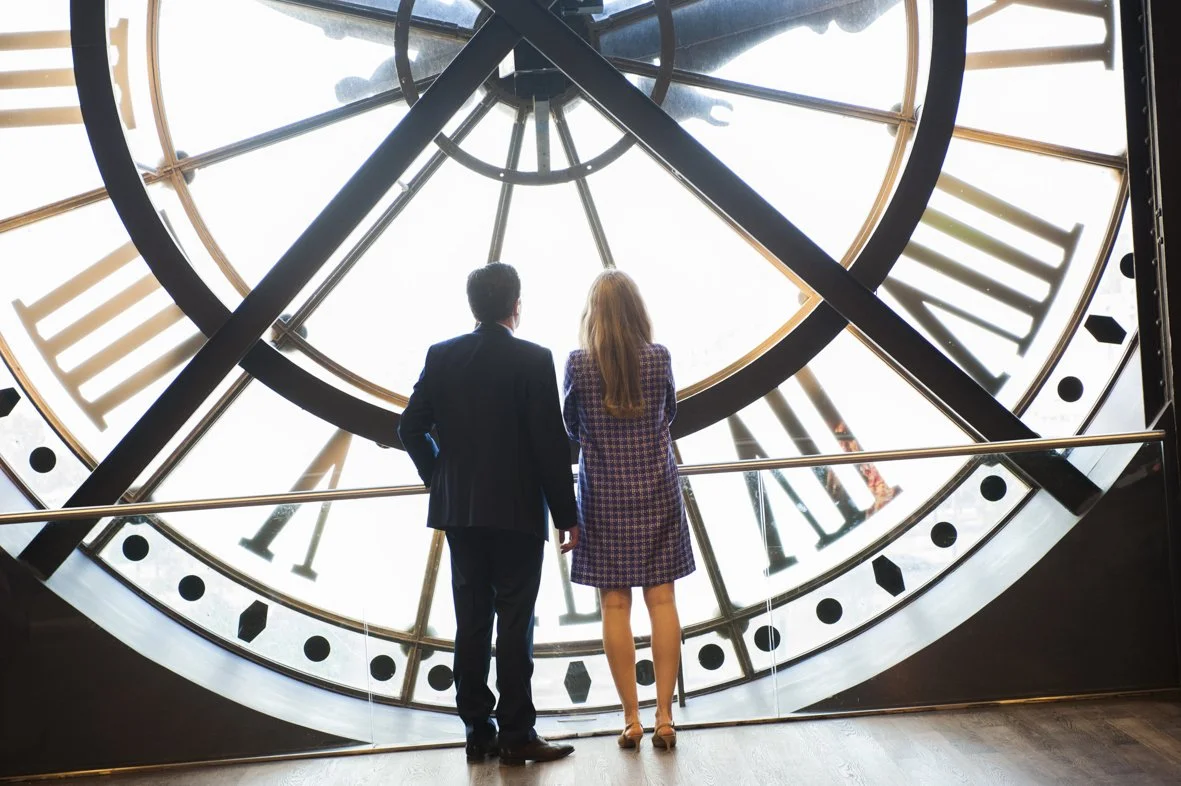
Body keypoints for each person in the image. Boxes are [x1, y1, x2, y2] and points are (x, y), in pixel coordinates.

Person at [399, 262, 580, 766]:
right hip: (519, 511)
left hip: (460, 512)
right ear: (516, 306)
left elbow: (409, 429)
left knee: (471, 622)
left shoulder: (442, 356)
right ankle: (517, 732)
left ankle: (477, 731)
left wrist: (440, 478)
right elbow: (549, 446)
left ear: (473, 307)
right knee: (515, 626)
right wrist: (567, 514)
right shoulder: (533, 360)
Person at [562, 270, 696, 751]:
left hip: (603, 497)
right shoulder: (658, 359)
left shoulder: (578, 365)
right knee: (663, 603)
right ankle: (665, 716)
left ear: (592, 314)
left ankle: (631, 719)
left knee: (614, 607)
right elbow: (671, 414)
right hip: (657, 490)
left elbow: (572, 429)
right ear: (638, 312)